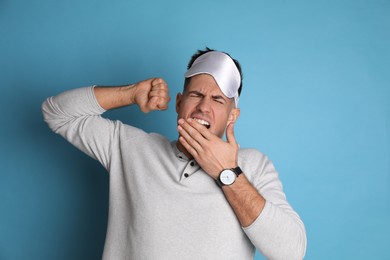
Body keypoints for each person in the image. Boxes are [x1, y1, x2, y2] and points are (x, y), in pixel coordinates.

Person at [42, 48, 306, 260]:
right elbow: (57, 113)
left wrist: (227, 173)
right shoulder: (131, 148)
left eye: (217, 100)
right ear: (179, 103)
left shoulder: (254, 165)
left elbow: (291, 252)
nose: (203, 107)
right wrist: (130, 94)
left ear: (232, 116)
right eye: (196, 94)